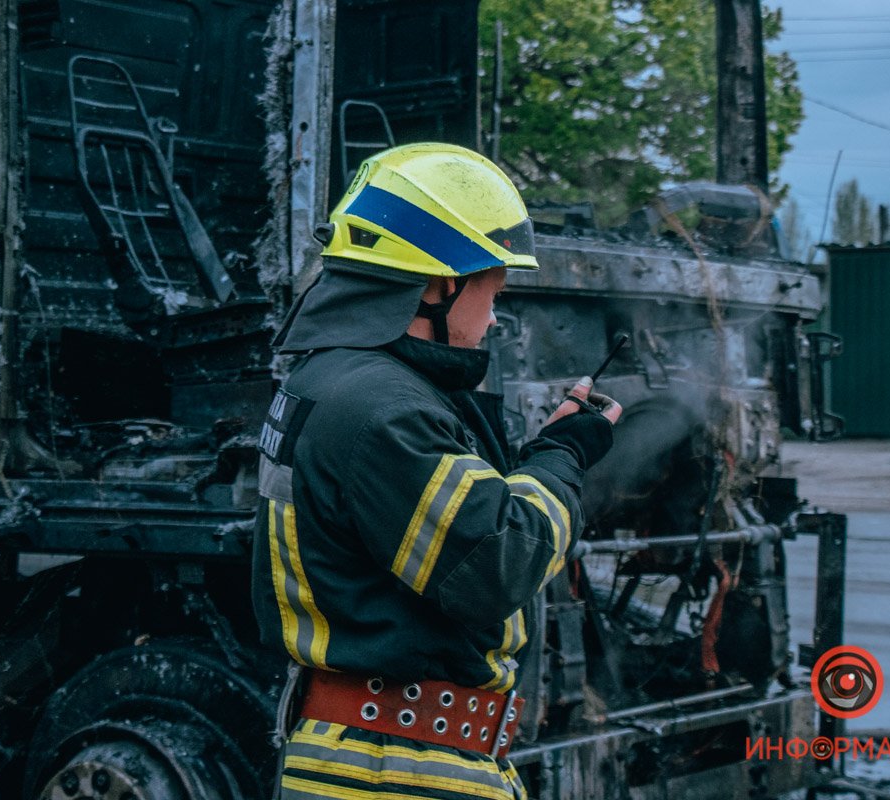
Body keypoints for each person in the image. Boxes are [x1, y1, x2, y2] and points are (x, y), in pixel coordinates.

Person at [252, 143, 621, 800]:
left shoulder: (335, 381)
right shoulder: (381, 410)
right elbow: (495, 561)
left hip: (379, 755)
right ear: (434, 284)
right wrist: (566, 456)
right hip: (394, 769)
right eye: (491, 288)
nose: (496, 315)